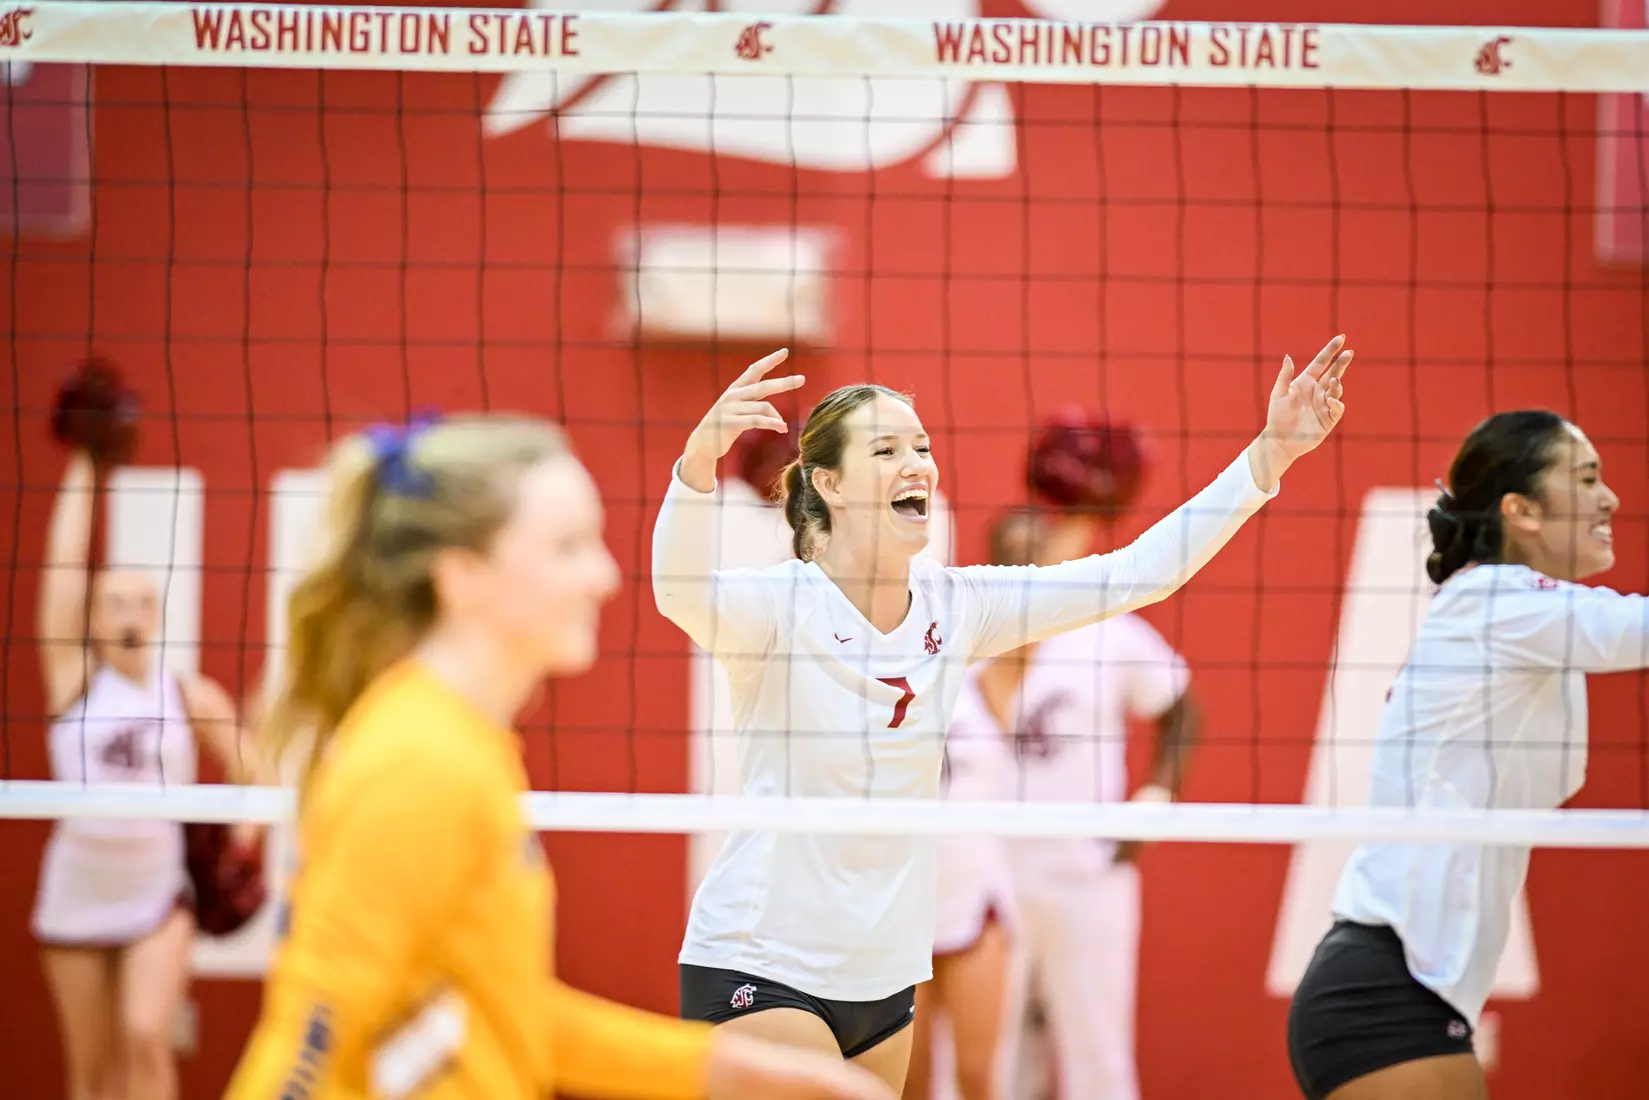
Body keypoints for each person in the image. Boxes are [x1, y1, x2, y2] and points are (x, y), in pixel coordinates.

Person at [655, 336, 1354, 1092]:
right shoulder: (775, 607)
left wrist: (1267, 458)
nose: (917, 462)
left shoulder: (959, 608)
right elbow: (680, 593)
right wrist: (696, 466)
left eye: (921, 446)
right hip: (765, 954)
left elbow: (1135, 577)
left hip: (883, 973)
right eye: (886, 449)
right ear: (828, 482)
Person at [223, 414, 893, 1100]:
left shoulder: (466, 744)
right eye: (567, 547)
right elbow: (310, 1032)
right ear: (462, 575)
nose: (603, 575)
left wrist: (743, 1073)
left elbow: (511, 1012)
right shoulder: (417, 762)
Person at [1287, 410, 1640, 1100]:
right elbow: (1633, 629)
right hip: (1383, 994)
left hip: (1416, 995)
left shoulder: (1533, 631)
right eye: (1587, 478)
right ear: (1521, 510)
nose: (1610, 499)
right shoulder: (1493, 601)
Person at [34, 447, 265, 1100]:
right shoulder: (73, 685)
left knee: (144, 1037)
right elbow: (59, 574)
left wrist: (238, 844)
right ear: (93, 622)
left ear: (156, 615)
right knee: (93, 1069)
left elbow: (256, 773)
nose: (130, 616)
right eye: (114, 605)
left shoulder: (187, 695)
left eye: (141, 603)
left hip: (156, 893)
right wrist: (86, 462)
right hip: (78, 888)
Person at [981, 505, 1201, 1100]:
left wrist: (1156, 797)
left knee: (1098, 1058)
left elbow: (1180, 705)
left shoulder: (1106, 630)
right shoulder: (965, 633)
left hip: (1086, 874)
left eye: (1037, 547)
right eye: (1011, 550)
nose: (1026, 560)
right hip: (990, 878)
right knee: (991, 1064)